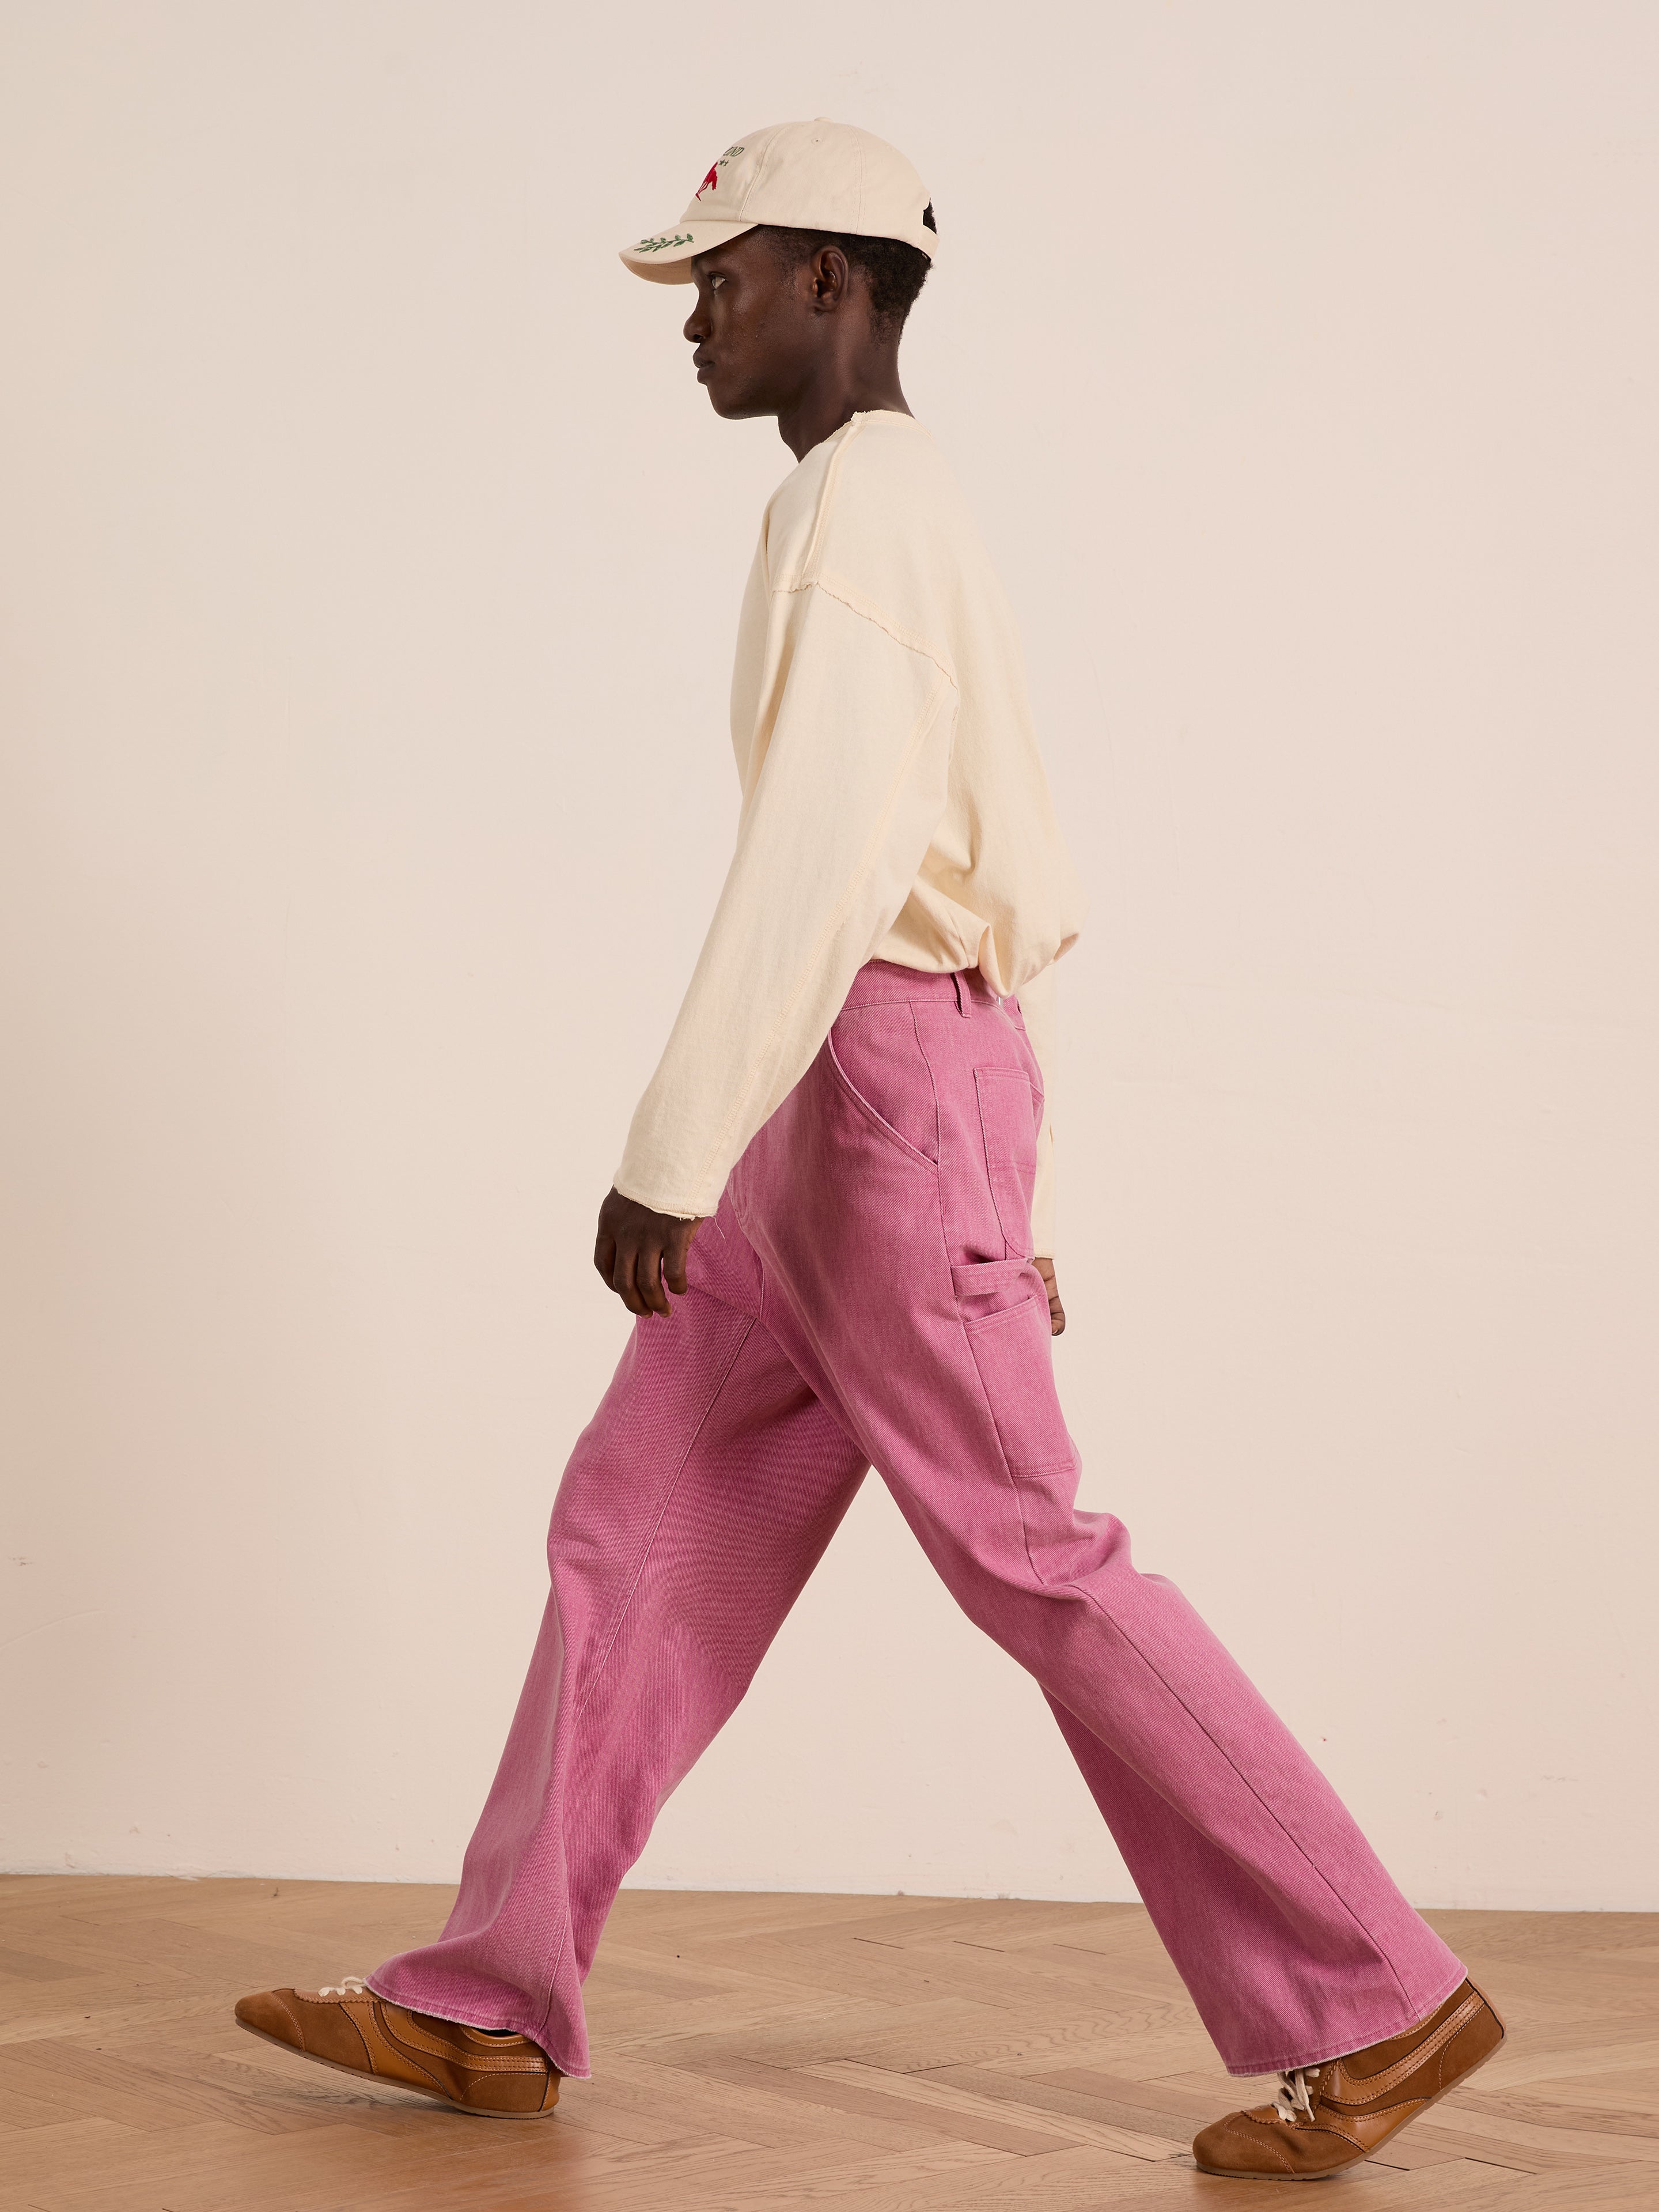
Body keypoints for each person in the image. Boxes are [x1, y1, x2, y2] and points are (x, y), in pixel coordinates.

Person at [234, 119, 1504, 2178]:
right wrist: (956, 1169)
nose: (696, 319)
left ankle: (1377, 1993)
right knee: (634, 1518)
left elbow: (836, 862)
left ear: (835, 280)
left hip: (864, 1096)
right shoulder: (874, 505)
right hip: (859, 1113)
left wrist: (676, 1140)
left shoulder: (866, 513)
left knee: (1031, 1555)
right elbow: (965, 866)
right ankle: (488, 1998)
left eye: (722, 277)